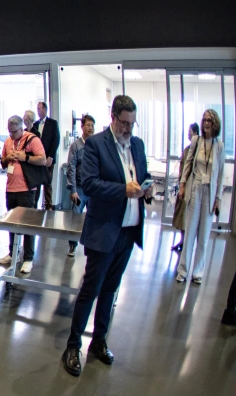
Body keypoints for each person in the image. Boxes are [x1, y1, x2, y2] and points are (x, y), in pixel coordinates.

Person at [62, 95, 151, 377]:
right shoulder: (96, 144)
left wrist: (147, 188)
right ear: (112, 117)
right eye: (124, 123)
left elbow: (143, 175)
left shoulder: (137, 145)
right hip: (103, 231)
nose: (128, 128)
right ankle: (73, 346)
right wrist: (123, 190)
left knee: (111, 290)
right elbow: (89, 184)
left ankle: (99, 341)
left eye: (132, 124)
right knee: (91, 289)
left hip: (128, 230)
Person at [176, 109, 225, 285]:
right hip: (195, 188)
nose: (205, 123)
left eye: (209, 121)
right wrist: (182, 184)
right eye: (204, 120)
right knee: (189, 232)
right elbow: (188, 163)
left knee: (203, 236)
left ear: (215, 123)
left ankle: (198, 272)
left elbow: (220, 174)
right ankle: (183, 271)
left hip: (209, 191)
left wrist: (218, 198)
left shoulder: (219, 145)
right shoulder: (197, 141)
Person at [0, 116, 47, 273]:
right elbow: (3, 163)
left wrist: (26, 157)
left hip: (26, 190)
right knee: (12, 223)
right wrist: (7, 158)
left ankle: (28, 258)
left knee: (27, 224)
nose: (11, 135)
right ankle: (13, 253)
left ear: (21, 128)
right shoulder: (8, 141)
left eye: (14, 132)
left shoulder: (32, 139)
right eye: (9, 131)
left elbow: (43, 160)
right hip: (11, 189)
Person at [66, 114, 95, 256]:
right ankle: (72, 245)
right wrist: (73, 190)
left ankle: (91, 245)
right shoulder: (76, 145)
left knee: (94, 217)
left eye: (92, 125)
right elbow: (71, 167)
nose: (91, 128)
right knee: (76, 215)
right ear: (82, 127)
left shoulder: (96, 144)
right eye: (88, 125)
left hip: (93, 190)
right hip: (79, 189)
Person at [171, 123, 200, 254]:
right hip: (184, 186)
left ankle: (187, 242)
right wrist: (181, 184)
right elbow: (183, 167)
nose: (188, 134)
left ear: (196, 133)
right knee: (181, 215)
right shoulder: (187, 149)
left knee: (189, 216)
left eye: (190, 132)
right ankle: (183, 240)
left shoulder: (198, 151)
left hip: (193, 188)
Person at [29, 101, 60, 210]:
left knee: (47, 182)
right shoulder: (35, 124)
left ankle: (48, 206)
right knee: (36, 182)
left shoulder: (53, 123)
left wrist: (50, 157)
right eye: (37, 109)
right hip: (37, 159)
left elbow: (56, 141)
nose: (37, 111)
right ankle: (34, 205)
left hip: (48, 159)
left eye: (39, 109)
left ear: (45, 109)